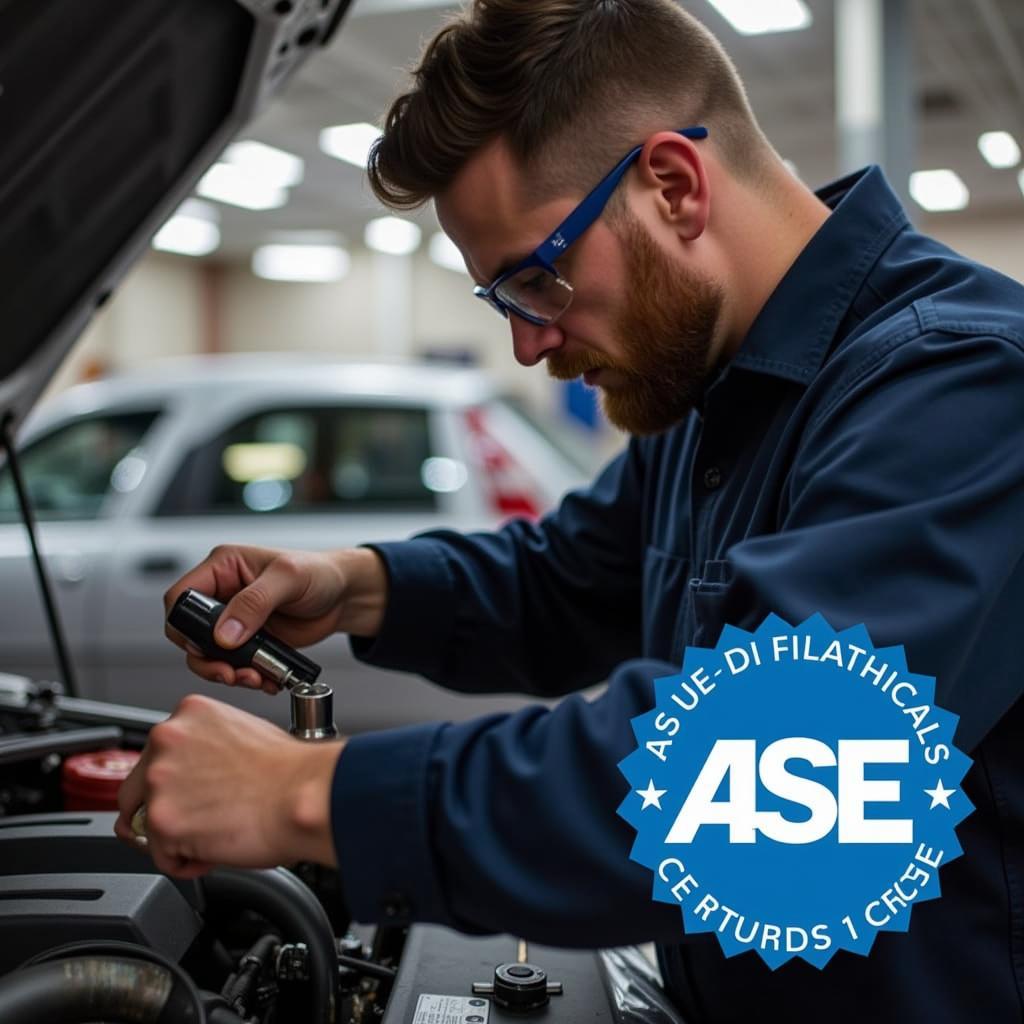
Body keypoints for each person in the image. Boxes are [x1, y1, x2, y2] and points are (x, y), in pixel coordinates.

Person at [115, 1, 1024, 1019]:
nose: (528, 345)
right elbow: (567, 579)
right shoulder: (711, 392)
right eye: (501, 301)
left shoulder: (962, 385)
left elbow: (770, 780)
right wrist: (353, 585)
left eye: (536, 281)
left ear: (672, 186)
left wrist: (302, 795)